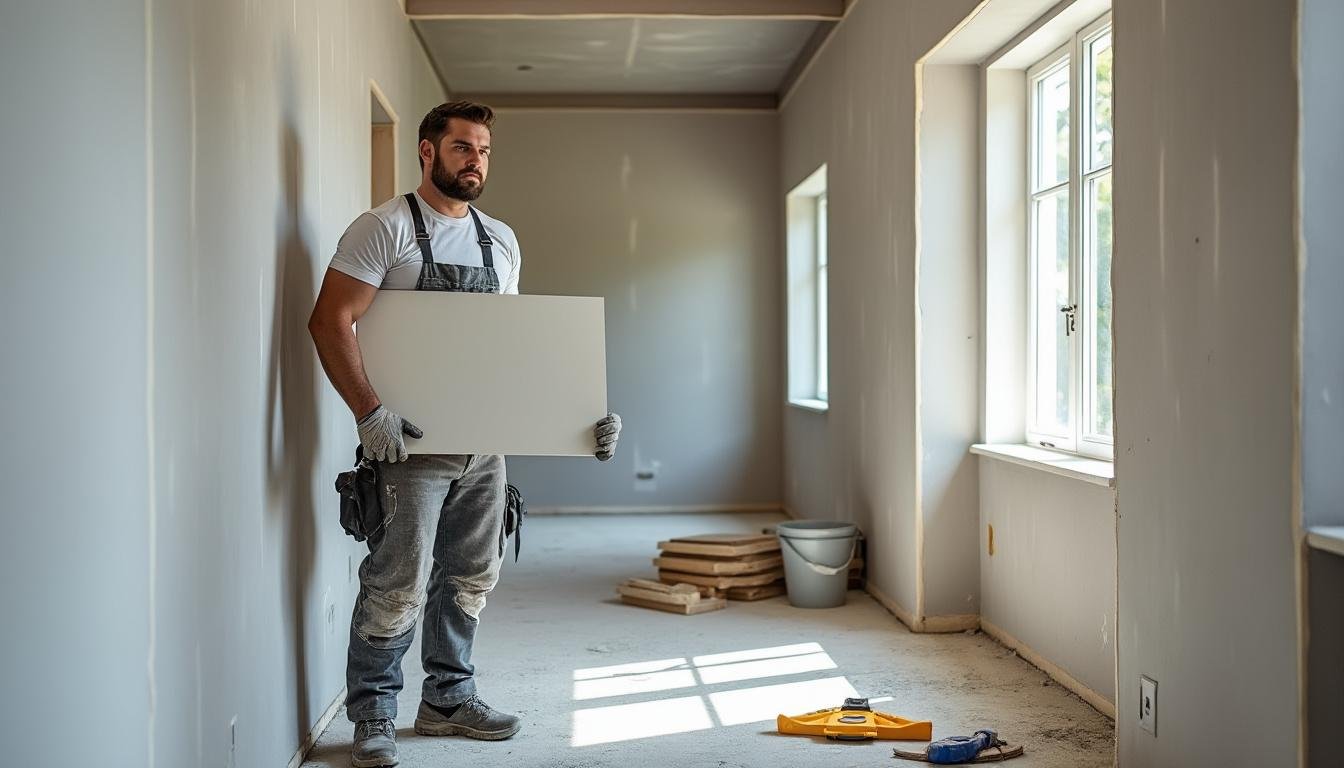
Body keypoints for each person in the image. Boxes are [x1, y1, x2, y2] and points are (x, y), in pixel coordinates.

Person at [308, 101, 621, 768]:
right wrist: (369, 414)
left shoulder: (500, 240)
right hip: (410, 445)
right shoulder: (384, 228)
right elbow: (330, 321)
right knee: (397, 582)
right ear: (427, 153)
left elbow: (509, 349)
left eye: (482, 150)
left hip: (485, 445)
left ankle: (448, 699)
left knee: (472, 577)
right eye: (461, 148)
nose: (474, 160)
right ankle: (375, 714)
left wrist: (582, 413)